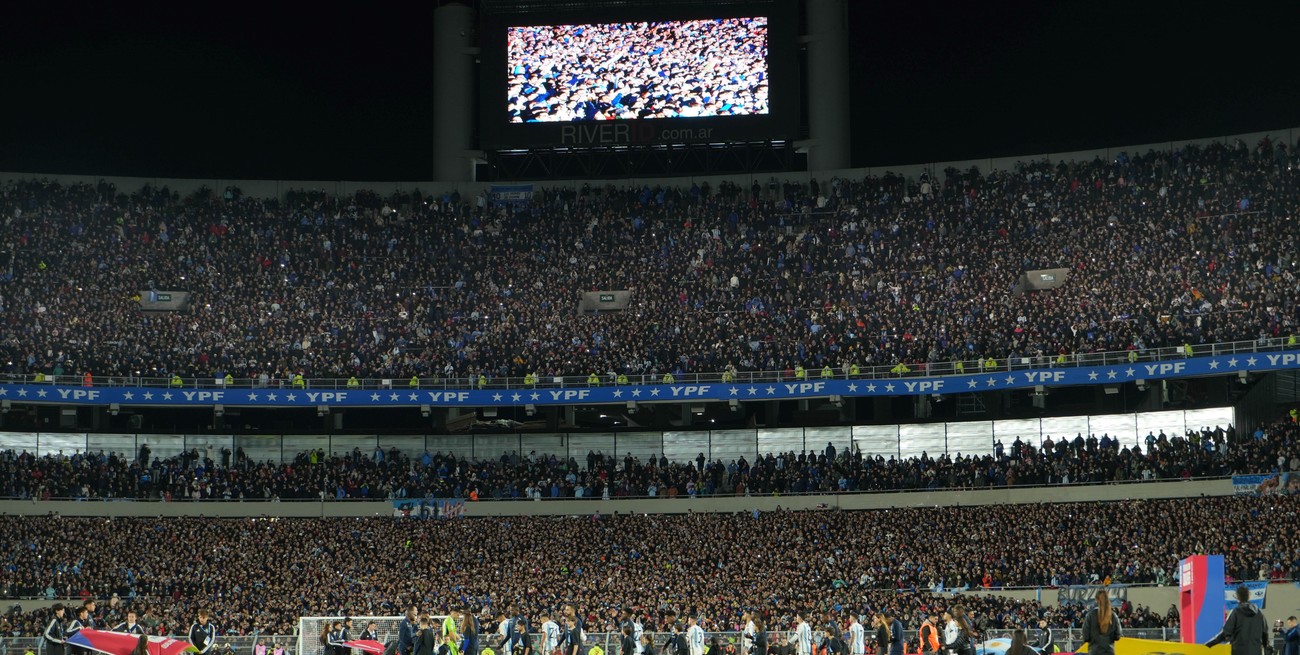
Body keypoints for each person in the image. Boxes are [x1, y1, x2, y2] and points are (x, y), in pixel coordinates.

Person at [1208, 586, 1269, 655]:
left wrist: (1210, 644)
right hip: (1256, 651)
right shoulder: (1259, 613)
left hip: (1239, 651)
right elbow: (1265, 633)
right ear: (1249, 596)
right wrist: (1265, 647)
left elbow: (1225, 633)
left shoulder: (1236, 612)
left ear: (1237, 597)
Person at [1080, 591, 1122, 655]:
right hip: (1109, 651)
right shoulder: (1113, 616)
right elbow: (1118, 636)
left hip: (1094, 652)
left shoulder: (1090, 615)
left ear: (1096, 600)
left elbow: (1086, 637)